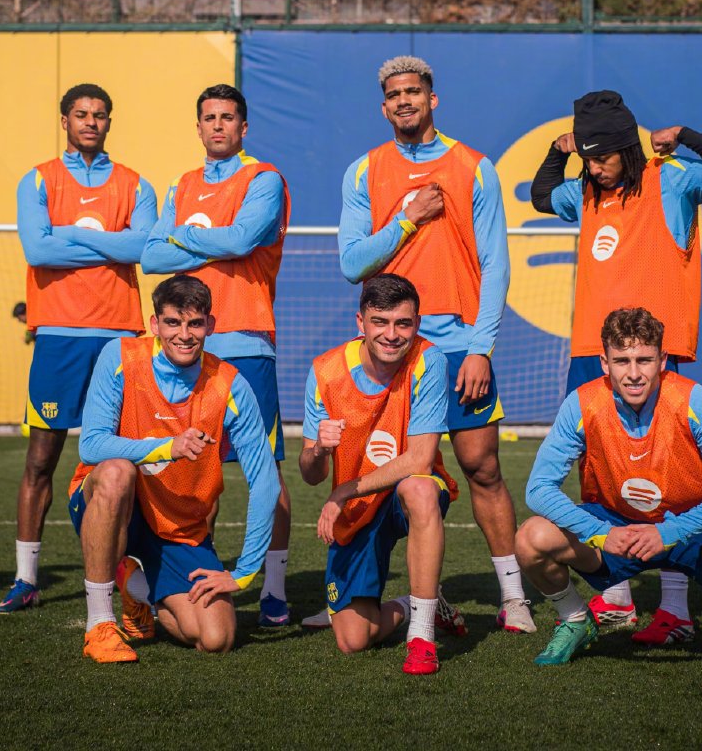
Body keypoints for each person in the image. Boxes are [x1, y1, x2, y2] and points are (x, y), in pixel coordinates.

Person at [530, 89, 702, 642]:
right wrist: (559, 152)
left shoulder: (669, 179)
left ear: (626, 147)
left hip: (652, 352)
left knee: (670, 471)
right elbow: (540, 197)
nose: (595, 168)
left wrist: (686, 137)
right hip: (591, 350)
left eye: (602, 157)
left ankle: (675, 607)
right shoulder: (587, 190)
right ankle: (616, 595)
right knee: (597, 468)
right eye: (587, 159)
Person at [335, 55, 531, 633]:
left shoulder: (474, 167)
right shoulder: (363, 171)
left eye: (413, 91)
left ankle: (514, 597)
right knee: (383, 471)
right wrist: (408, 219)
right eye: (394, 94)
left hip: (459, 346)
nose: (404, 100)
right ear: (383, 106)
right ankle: (361, 596)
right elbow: (352, 263)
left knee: (482, 468)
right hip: (391, 348)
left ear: (432, 99)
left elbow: (496, 265)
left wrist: (480, 348)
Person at [516, 307, 702, 677]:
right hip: (616, 529)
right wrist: (600, 533)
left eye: (644, 360)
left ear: (662, 360)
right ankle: (575, 620)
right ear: (604, 363)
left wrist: (670, 531)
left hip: (689, 528)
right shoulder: (582, 403)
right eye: (622, 361)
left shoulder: (692, 399)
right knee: (531, 538)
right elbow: (538, 489)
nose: (634, 373)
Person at [0, 83, 158, 614]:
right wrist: (111, 244)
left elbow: (143, 246)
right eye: (82, 114)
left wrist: (70, 235)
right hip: (59, 336)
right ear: (64, 120)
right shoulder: (38, 179)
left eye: (100, 115)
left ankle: (126, 572)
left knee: (124, 461)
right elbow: (37, 249)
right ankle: (26, 578)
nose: (91, 121)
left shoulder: (135, 183)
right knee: (41, 459)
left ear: (109, 122)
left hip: (120, 337)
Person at [66, 275, 279, 662]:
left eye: (195, 323)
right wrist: (168, 447)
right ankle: (100, 624)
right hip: (116, 504)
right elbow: (91, 445)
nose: (184, 334)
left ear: (210, 325)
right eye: (173, 322)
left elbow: (265, 481)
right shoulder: (120, 356)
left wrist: (243, 573)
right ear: (155, 324)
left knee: (216, 638)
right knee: (116, 472)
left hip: (179, 525)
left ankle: (135, 586)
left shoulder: (230, 385)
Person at [142, 83, 294, 626]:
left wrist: (182, 236)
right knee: (194, 470)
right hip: (186, 347)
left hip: (246, 342)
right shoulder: (181, 185)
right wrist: (207, 241)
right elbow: (150, 257)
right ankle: (195, 573)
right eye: (209, 118)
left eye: (228, 117)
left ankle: (273, 587)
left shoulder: (263, 178)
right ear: (198, 126)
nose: (218, 126)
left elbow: (242, 240)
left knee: (264, 472)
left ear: (243, 127)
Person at [298, 274, 467, 675]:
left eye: (403, 323)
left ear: (417, 324)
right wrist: (318, 449)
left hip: (402, 491)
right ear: (361, 322)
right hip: (358, 509)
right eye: (380, 322)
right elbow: (310, 474)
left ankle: (421, 638)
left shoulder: (428, 359)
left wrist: (343, 492)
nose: (392, 335)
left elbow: (420, 459)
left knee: (419, 489)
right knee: (352, 640)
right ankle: (420, 604)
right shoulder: (325, 371)